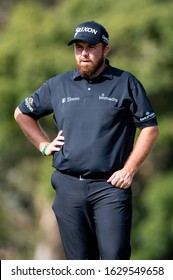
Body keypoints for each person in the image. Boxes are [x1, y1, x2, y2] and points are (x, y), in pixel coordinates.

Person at [14, 21, 159, 260]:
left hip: (111, 187)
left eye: (90, 47)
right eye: (78, 48)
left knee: (115, 261)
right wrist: (43, 145)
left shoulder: (126, 83)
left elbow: (149, 128)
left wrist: (129, 170)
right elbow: (22, 114)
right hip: (68, 186)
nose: (84, 54)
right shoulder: (57, 85)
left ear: (106, 49)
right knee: (79, 264)